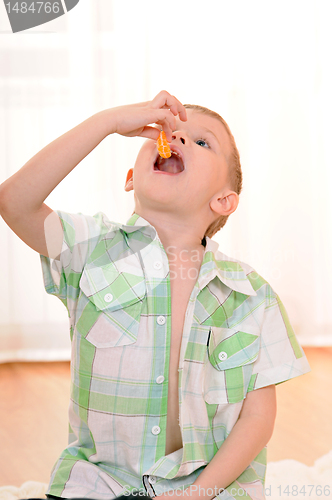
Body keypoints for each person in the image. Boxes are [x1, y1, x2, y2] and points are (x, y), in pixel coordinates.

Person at [0, 90, 310, 500]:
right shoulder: (91, 249)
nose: (176, 138)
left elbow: (257, 418)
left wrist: (197, 494)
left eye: (201, 142)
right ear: (131, 178)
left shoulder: (252, 296)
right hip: (98, 484)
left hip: (210, 489)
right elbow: (14, 202)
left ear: (224, 201)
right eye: (167, 132)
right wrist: (109, 122)